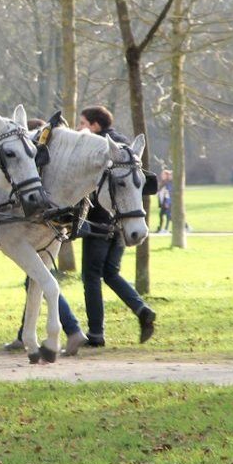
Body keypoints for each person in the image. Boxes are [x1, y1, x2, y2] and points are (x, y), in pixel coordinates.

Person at [77, 105, 156, 346]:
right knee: (111, 273)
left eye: (82, 123)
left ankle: (96, 333)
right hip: (122, 223)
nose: (79, 128)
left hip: (99, 222)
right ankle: (141, 308)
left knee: (91, 276)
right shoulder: (126, 145)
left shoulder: (100, 149)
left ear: (95, 125)